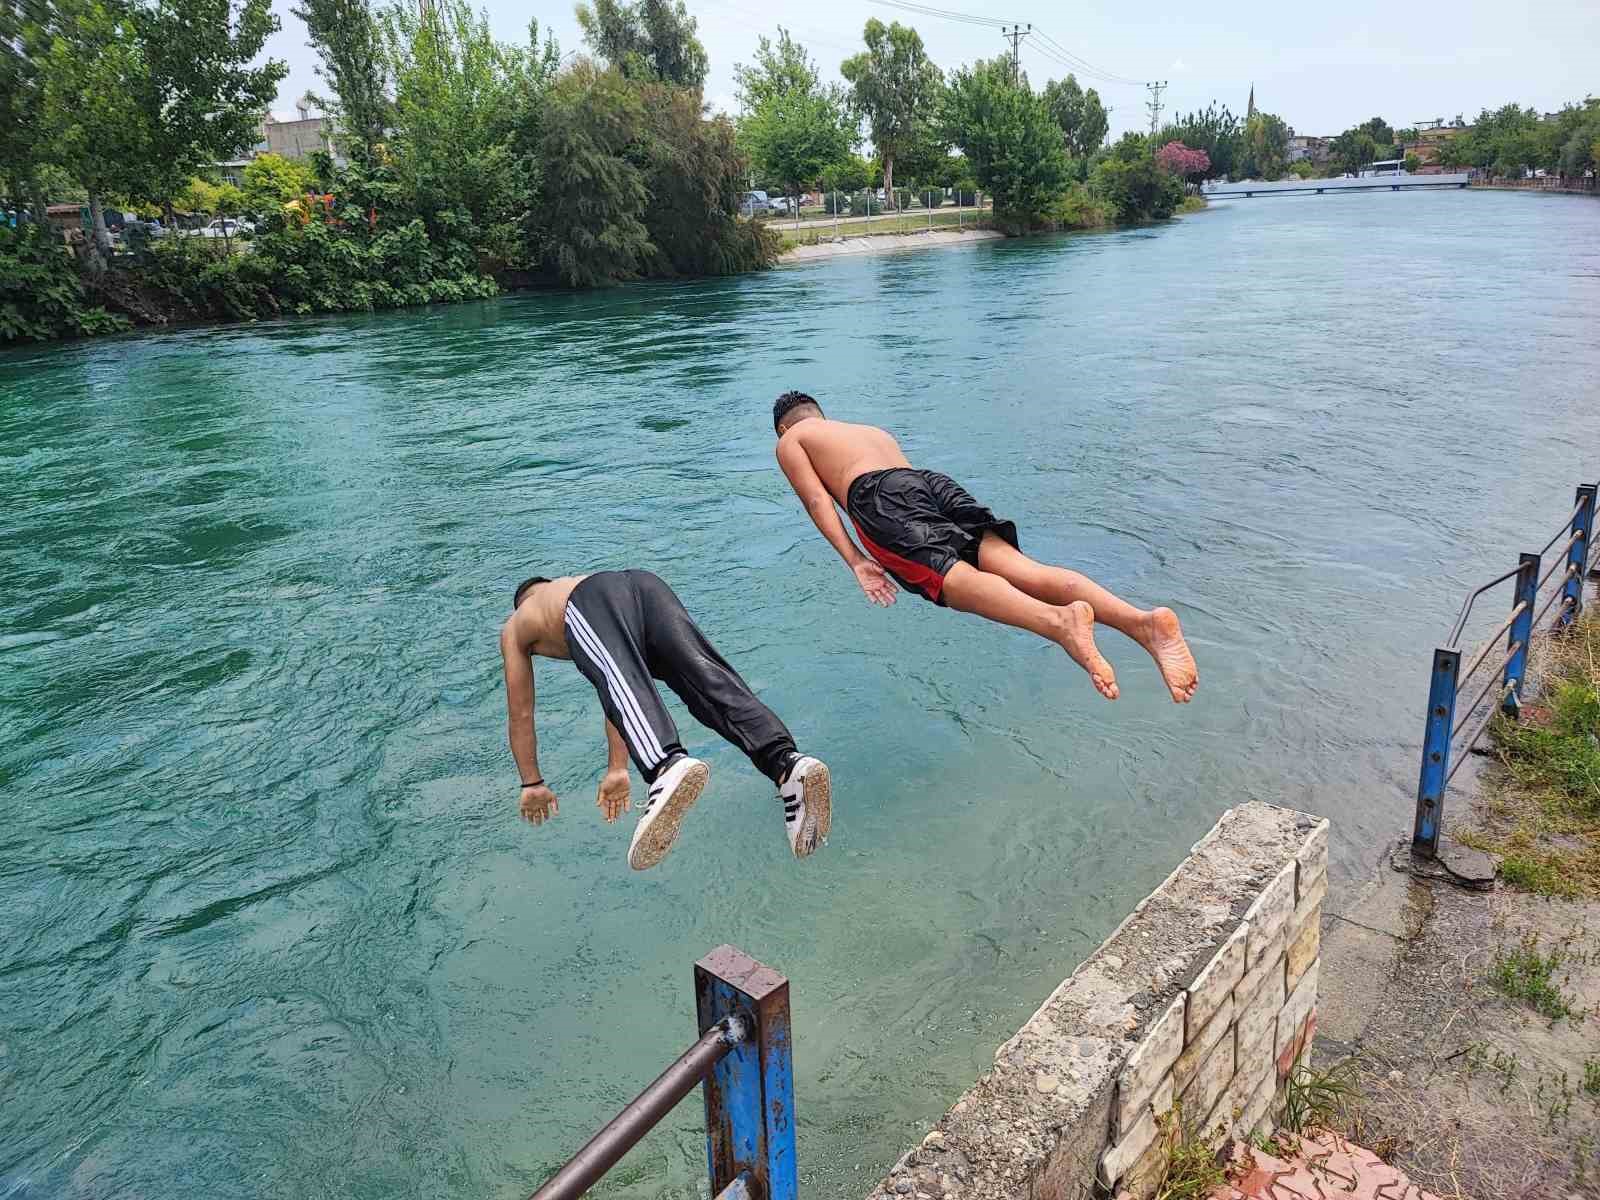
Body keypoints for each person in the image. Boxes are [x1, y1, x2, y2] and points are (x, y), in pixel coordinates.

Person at [771, 391, 1199, 704]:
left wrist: (856, 561)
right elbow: (901, 481)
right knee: (1023, 570)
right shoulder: (868, 432)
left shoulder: (792, 439)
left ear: (787, 425)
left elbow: (817, 500)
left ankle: (1058, 623)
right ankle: (1142, 623)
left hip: (880, 497)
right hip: (928, 481)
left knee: (955, 582)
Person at [500, 570, 832, 870]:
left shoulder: (518, 624)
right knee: (707, 684)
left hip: (596, 599)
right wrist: (617, 768)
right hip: (645, 585)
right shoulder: (566, 585)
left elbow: (521, 713)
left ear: (522, 601)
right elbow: (616, 690)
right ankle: (787, 764)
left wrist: (532, 783)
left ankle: (665, 765)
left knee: (631, 691)